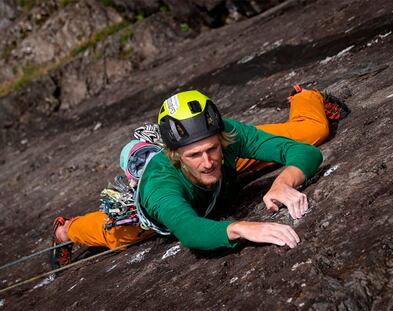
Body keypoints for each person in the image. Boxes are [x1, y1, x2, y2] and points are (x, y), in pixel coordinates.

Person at [51, 87, 348, 267]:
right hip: (170, 208)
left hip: (229, 172)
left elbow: (302, 153)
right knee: (116, 235)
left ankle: (306, 98)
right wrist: (243, 228)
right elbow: (191, 231)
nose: (206, 162)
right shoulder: (160, 185)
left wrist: (283, 182)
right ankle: (66, 231)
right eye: (194, 155)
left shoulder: (227, 136)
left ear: (219, 138)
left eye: (211, 149)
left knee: (313, 132)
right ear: (175, 155)